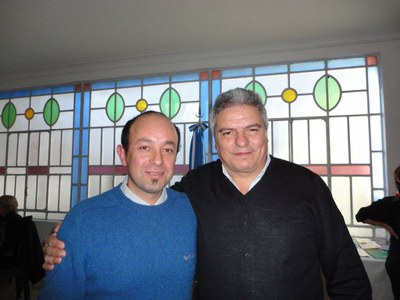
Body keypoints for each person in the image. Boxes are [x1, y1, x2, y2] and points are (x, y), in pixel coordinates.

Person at [43, 88, 371, 299]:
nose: (241, 143)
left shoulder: (307, 186)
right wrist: (69, 235)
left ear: (265, 133)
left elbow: (348, 275)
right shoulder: (195, 188)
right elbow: (147, 200)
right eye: (228, 132)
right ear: (215, 139)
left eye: (251, 130)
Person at [38, 111, 197, 299]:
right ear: (123, 155)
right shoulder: (84, 220)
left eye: (168, 150)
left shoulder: (190, 209)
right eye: (145, 147)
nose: (158, 160)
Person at [356, 165, 400, 300]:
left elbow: (361, 215)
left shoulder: (391, 203)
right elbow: (361, 215)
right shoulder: (391, 203)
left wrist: (386, 226)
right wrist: (385, 225)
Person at [0, 195, 23, 269]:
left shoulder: (11, 221)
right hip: (10, 255)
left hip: (8, 257)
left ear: (4, 207)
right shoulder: (11, 218)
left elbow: (8, 244)